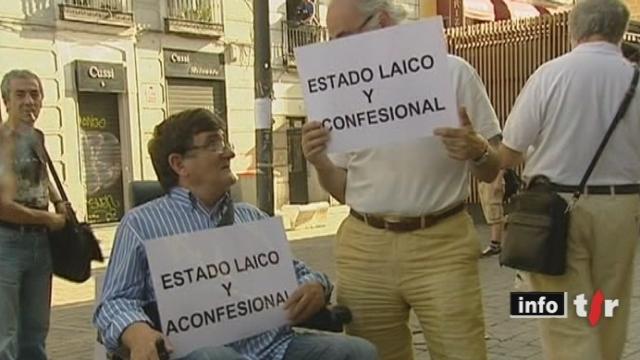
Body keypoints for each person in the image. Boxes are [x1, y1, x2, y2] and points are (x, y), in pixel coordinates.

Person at [300, 0, 502, 359]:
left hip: (443, 244)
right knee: (375, 354)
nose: (336, 50)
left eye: (344, 36)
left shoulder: (453, 73)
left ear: (382, 20)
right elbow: (344, 189)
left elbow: (492, 168)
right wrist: (319, 162)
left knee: (461, 352)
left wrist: (477, 149)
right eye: (331, 40)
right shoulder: (341, 92)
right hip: (365, 246)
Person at [93, 108, 377, 360]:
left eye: (225, 141)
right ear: (179, 164)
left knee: (358, 352)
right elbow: (115, 302)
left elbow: (298, 273)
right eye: (214, 144)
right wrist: (136, 331)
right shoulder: (141, 224)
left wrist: (316, 286)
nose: (229, 152)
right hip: (196, 352)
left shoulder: (251, 217)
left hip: (273, 347)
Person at [499, 1, 640, 359]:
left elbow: (510, 151)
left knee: (562, 311)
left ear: (572, 29)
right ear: (620, 32)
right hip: (622, 207)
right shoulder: (635, 79)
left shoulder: (550, 74)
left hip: (553, 208)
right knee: (608, 304)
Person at [0, 69, 68, 360]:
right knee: (6, 336)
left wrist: (58, 201)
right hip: (7, 245)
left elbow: (41, 174)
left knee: (36, 332)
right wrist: (48, 219)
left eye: (35, 94)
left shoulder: (36, 136)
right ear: (6, 101)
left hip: (41, 245)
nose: (29, 101)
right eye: (20, 94)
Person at [478, 169, 505, 257]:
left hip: (493, 180)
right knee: (490, 212)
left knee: (494, 212)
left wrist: (498, 180)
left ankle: (495, 244)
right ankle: (494, 242)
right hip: (485, 180)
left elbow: (502, 163)